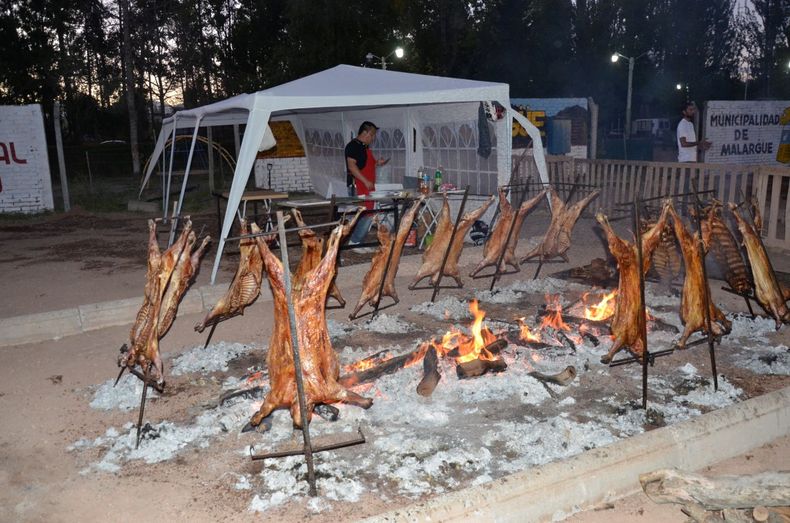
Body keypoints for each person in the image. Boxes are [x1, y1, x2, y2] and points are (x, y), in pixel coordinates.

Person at [344, 121, 388, 247]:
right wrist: (365, 181)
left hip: (368, 185)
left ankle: (358, 242)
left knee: (368, 213)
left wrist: (377, 163)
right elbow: (352, 166)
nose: (373, 138)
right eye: (372, 135)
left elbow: (364, 164)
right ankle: (355, 242)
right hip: (359, 185)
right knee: (364, 214)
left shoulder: (364, 147)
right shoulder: (353, 146)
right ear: (365, 133)